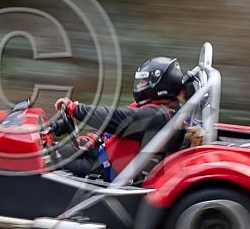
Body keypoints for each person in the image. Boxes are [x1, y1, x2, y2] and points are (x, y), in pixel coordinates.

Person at [51, 56, 187, 180]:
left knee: (47, 162)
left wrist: (76, 109)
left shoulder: (158, 116)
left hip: (109, 172)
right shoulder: (158, 108)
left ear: (160, 84)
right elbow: (113, 126)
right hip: (102, 157)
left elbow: (115, 118)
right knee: (52, 151)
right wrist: (92, 138)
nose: (139, 85)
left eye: (144, 81)